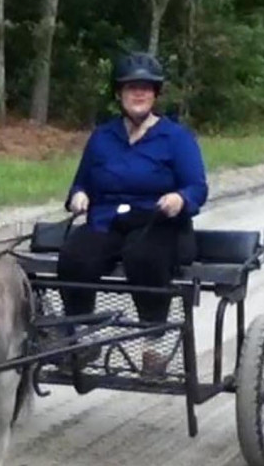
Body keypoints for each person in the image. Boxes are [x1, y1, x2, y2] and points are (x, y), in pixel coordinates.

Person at [57, 51, 209, 375]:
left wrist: (180, 199)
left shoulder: (176, 138)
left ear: (155, 94)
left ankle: (154, 343)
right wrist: (79, 196)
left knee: (143, 256)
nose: (138, 93)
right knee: (74, 255)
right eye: (130, 88)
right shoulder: (103, 137)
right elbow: (80, 183)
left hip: (157, 220)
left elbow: (197, 187)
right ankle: (82, 336)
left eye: (146, 88)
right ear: (119, 94)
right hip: (107, 220)